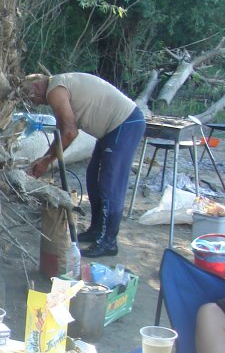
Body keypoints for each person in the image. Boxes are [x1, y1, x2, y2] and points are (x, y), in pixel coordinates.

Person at [24, 72, 145, 258]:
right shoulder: (59, 85)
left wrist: (46, 161)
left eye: (33, 98)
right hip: (112, 130)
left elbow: (69, 132)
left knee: (109, 185)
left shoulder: (55, 90)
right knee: (93, 178)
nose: (37, 104)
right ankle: (97, 230)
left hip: (125, 123)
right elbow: (64, 129)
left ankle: (108, 242)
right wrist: (45, 158)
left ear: (36, 87)